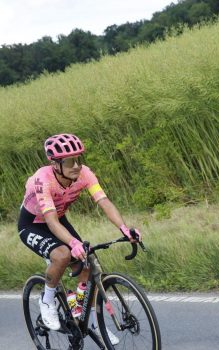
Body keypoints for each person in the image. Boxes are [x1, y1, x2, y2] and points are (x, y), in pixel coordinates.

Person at [19, 133, 142, 345]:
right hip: (33, 223)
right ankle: (47, 301)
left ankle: (88, 318)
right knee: (62, 255)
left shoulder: (85, 174)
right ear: (56, 164)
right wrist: (73, 243)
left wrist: (124, 229)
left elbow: (103, 201)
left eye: (78, 159)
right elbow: (50, 221)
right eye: (69, 161)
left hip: (58, 218)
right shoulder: (42, 179)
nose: (76, 165)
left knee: (87, 261)